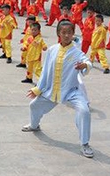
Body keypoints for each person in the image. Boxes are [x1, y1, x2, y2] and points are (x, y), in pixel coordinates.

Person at [22, 21, 95, 158]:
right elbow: (45, 71)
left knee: (84, 111)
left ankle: (84, 143)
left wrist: (84, 65)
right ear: (58, 34)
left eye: (69, 32)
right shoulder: (52, 50)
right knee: (34, 105)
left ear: (73, 34)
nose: (66, 35)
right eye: (63, 32)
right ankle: (34, 125)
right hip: (52, 90)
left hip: (71, 91)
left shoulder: (77, 53)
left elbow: (88, 62)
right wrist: (38, 88)